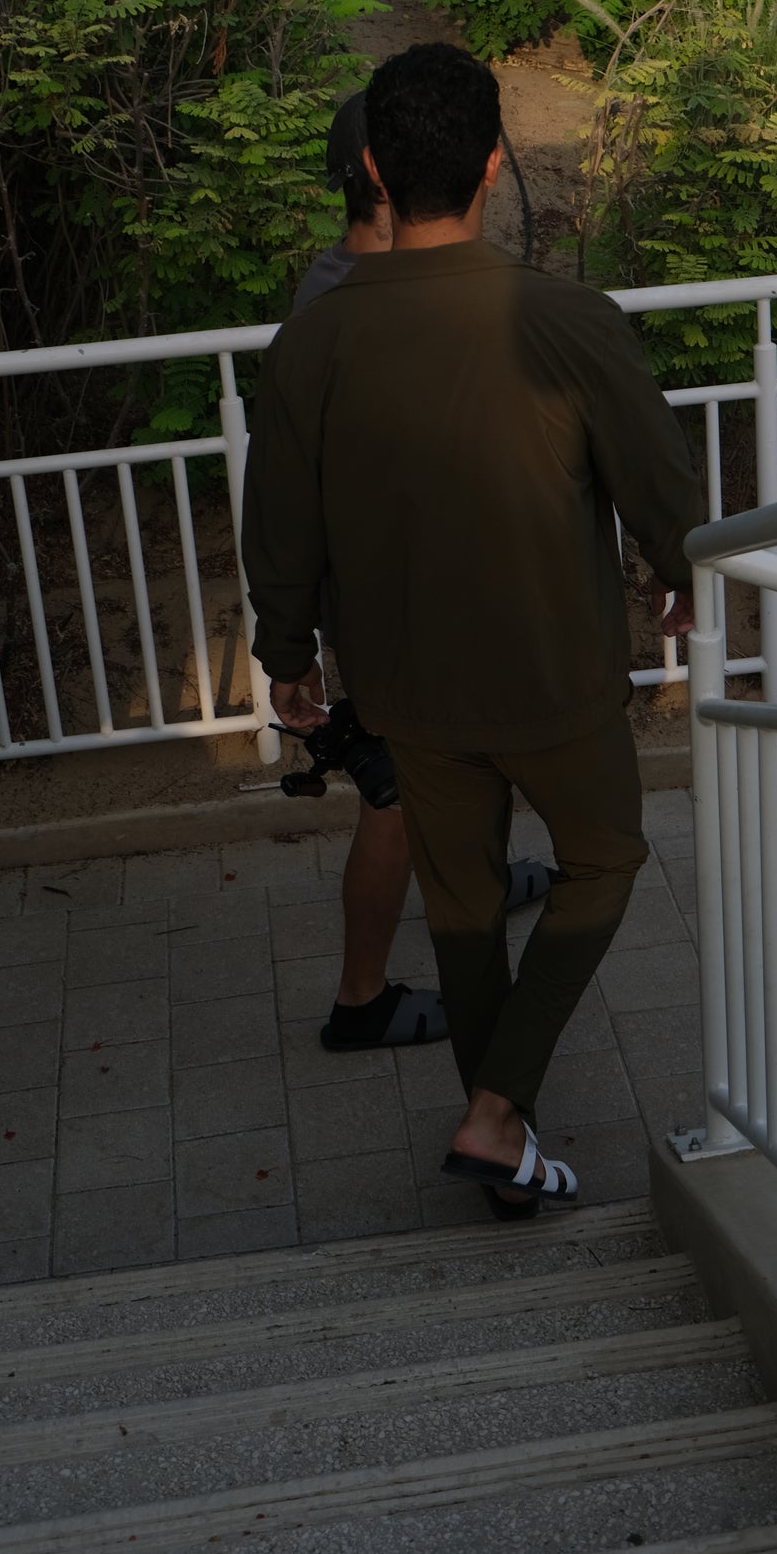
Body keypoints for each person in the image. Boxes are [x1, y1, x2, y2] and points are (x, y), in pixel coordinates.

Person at [243, 43, 703, 1214]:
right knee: (605, 860)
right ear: (495, 165)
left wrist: (286, 658)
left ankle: (501, 1133)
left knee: (461, 903)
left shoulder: (313, 343)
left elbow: (280, 522)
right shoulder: (566, 318)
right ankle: (498, 1115)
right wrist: (683, 571)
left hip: (407, 689)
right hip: (555, 675)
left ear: (374, 173)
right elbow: (656, 476)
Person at [288, 91, 555, 1057]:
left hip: (443, 585)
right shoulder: (342, 305)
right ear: (381, 171)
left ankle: (481, 876)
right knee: (397, 794)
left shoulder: (374, 280)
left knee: (474, 749)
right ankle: (359, 1000)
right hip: (395, 605)